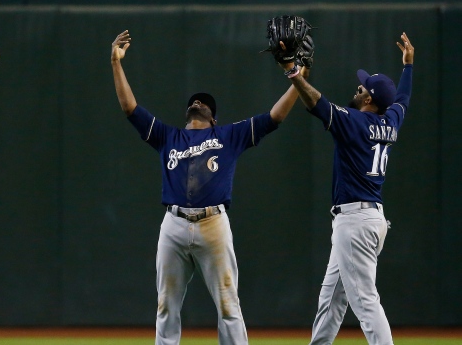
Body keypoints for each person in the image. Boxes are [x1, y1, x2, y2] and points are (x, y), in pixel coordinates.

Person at [111, 30, 309, 345]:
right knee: (166, 308)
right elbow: (129, 108)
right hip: (173, 225)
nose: (198, 102)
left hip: (213, 224)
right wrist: (116, 64)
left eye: (204, 103)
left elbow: (276, 117)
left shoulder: (229, 136)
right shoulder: (167, 137)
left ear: (214, 118)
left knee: (229, 307)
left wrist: (299, 78)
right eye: (194, 101)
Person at [285, 33, 414, 345]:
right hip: (369, 218)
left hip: (355, 222)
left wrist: (294, 74)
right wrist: (408, 66)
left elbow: (316, 102)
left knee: (366, 302)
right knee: (332, 298)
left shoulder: (354, 122)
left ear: (369, 100)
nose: (357, 90)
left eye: (361, 88)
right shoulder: (391, 120)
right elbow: (403, 99)